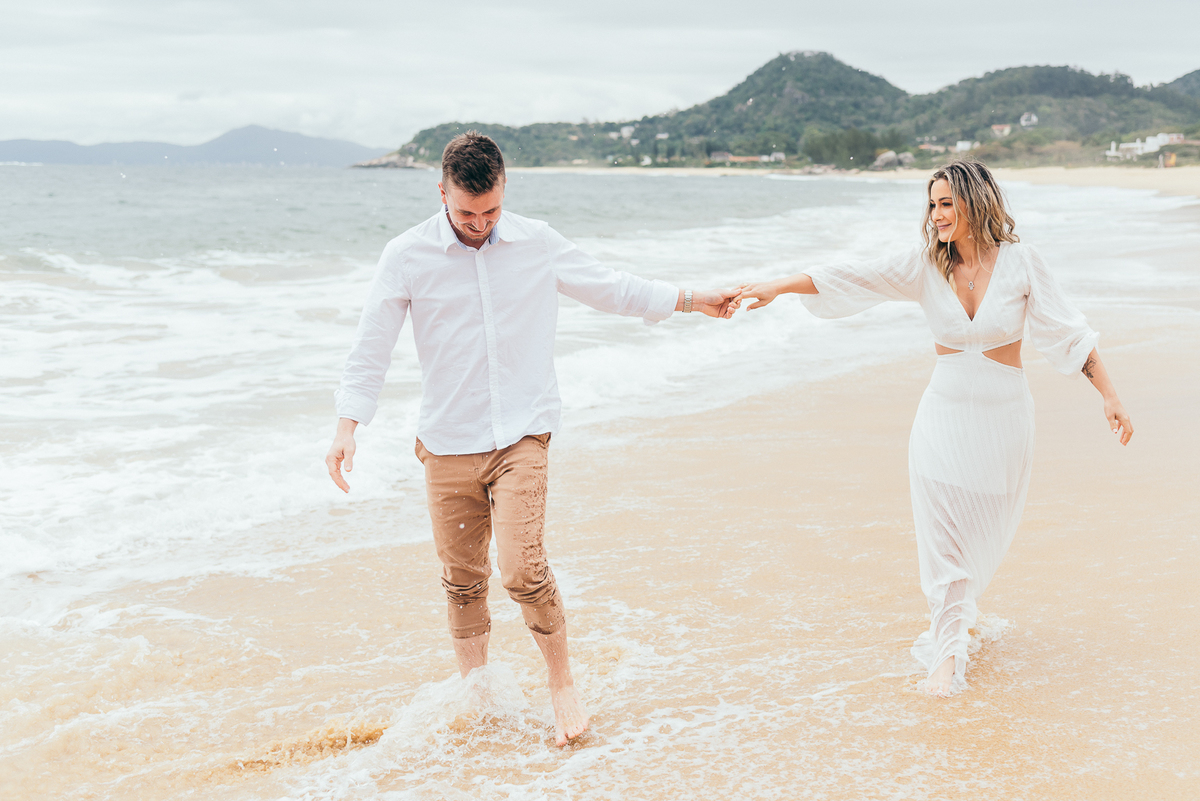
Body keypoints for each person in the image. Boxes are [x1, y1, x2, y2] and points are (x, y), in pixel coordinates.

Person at [325, 131, 738, 744]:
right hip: (446, 443)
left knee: (522, 570)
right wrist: (347, 427)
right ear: (441, 193)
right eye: (465, 212)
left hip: (522, 435)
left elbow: (611, 287)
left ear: (503, 189)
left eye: (490, 210)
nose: (479, 223)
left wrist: (690, 299)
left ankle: (561, 683)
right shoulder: (406, 255)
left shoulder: (536, 242)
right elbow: (371, 347)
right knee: (463, 581)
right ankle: (480, 695)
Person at [733, 159, 1133, 696]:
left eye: (947, 203)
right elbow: (851, 276)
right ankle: (945, 661)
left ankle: (959, 620)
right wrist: (776, 286)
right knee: (943, 544)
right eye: (932, 204)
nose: (937, 214)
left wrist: (1109, 395)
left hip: (1003, 424)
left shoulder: (1021, 263)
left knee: (979, 540)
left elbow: (1068, 334)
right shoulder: (924, 266)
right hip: (941, 421)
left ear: (974, 202)